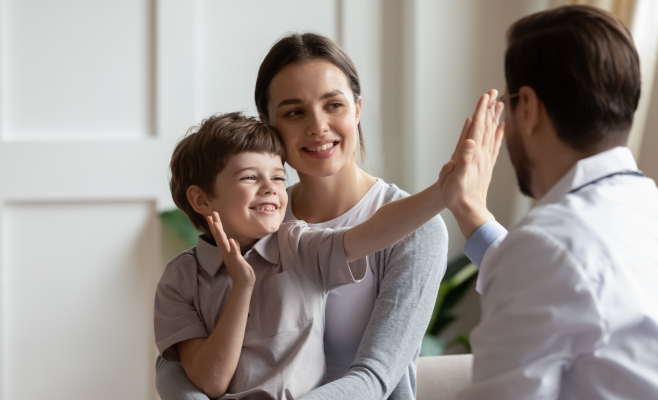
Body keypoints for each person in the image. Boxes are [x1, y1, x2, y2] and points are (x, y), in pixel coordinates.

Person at [156, 33, 452, 400]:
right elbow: (178, 364)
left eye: (334, 105)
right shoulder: (256, 218)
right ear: (269, 125)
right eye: (295, 112)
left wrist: (444, 192)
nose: (318, 126)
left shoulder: (414, 229)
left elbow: (376, 377)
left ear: (357, 108)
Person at [442, 5, 658, 399]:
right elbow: (575, 285)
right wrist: (471, 212)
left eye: (509, 105)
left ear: (527, 106)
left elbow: (560, 270)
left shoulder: (546, 247)